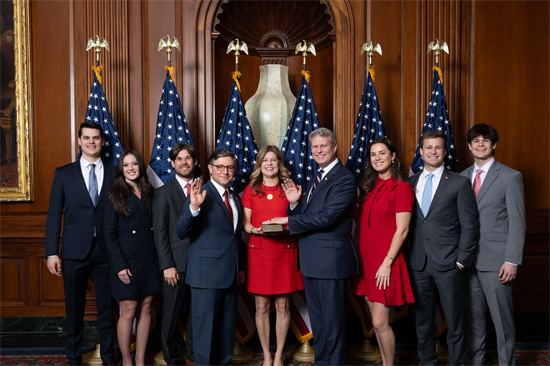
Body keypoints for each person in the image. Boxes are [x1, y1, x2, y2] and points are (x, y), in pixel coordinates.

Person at [263, 128, 357, 366]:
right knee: (320, 320)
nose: (318, 151)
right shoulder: (318, 176)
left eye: (323, 146)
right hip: (312, 261)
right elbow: (309, 214)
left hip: (331, 262)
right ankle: (322, 362)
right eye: (314, 147)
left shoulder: (344, 179)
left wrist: (287, 219)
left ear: (334, 147)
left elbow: (325, 218)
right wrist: (295, 204)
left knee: (333, 323)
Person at [44, 122, 116, 366]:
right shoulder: (63, 173)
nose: (91, 142)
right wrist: (52, 252)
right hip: (74, 250)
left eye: (96, 138)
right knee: (74, 311)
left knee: (107, 309)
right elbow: (54, 214)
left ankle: (108, 357)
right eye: (86, 138)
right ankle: (73, 359)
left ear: (102, 142)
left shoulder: (114, 172)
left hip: (107, 249)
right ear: (79, 141)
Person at [407, 130, 479, 366]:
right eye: (428, 147)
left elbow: (470, 226)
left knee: (455, 321)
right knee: (422, 321)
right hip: (418, 263)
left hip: (449, 264)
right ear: (421, 151)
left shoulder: (458, 182)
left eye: (438, 147)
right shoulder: (409, 183)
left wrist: (461, 260)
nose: (433, 152)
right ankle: (428, 362)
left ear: (445, 151)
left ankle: (458, 363)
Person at [460, 124, 525, 366]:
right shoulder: (460, 178)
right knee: (472, 321)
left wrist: (512, 260)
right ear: (469, 146)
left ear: (494, 144)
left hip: (498, 263)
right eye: (475, 141)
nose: (480, 144)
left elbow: (518, 222)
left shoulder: (510, 177)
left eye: (485, 140)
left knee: (502, 322)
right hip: (467, 262)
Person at [176, 149, 245, 366]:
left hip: (230, 274)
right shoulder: (200, 194)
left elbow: (234, 237)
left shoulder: (234, 196)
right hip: (206, 276)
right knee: (205, 333)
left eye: (230, 167)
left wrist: (240, 267)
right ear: (210, 168)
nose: (225, 171)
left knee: (226, 332)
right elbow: (181, 232)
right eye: (220, 167)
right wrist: (194, 207)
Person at [351, 138, 415, 365]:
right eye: (373, 154)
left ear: (393, 156)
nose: (377, 158)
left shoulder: (402, 187)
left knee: (379, 321)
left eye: (382, 153)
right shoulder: (368, 186)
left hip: (385, 261)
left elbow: (403, 230)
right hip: (366, 261)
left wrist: (387, 262)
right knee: (373, 320)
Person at [242, 145, 304, 366]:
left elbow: (300, 219)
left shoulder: (289, 187)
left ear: (280, 164)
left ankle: (278, 355)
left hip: (284, 253)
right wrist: (254, 230)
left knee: (282, 306)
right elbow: (246, 223)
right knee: (261, 307)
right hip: (260, 253)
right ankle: (266, 354)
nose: (269, 164)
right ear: (260, 164)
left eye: (274, 160)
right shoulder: (252, 189)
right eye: (265, 160)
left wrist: (295, 201)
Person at [104, 150, 162, 366]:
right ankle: (127, 361)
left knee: (147, 306)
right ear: (121, 169)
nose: (130, 168)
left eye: (134, 164)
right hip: (126, 260)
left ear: (140, 166)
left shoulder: (150, 191)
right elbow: (108, 235)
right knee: (128, 310)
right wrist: (119, 266)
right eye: (126, 165)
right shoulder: (115, 194)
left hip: (149, 257)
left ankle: (140, 359)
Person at [152, 143, 197, 366]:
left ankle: (193, 356)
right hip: (175, 267)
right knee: (170, 316)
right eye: (179, 159)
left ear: (195, 162)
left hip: (200, 265)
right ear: (172, 163)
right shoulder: (163, 193)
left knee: (195, 316)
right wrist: (167, 265)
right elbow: (160, 233)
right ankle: (171, 359)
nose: (184, 162)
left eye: (188, 158)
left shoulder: (204, 190)